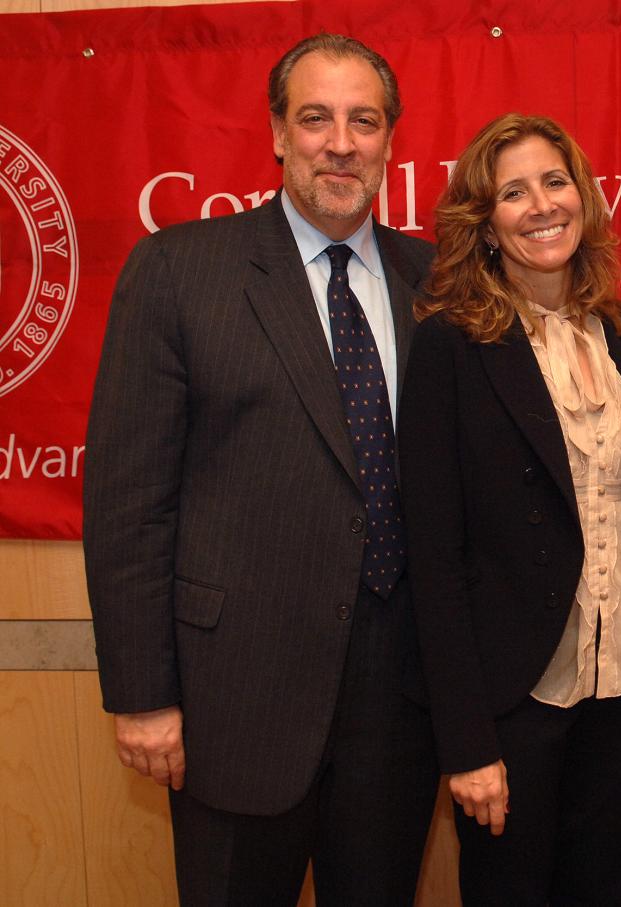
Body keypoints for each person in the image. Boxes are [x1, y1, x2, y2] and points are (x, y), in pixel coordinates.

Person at [83, 33, 438, 906]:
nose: (340, 142)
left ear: (392, 140)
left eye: (364, 120)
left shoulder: (436, 282)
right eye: (315, 118)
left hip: (400, 706)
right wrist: (141, 695)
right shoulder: (178, 270)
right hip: (232, 701)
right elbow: (129, 502)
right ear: (278, 134)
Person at [399, 113, 621, 904]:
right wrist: (465, 742)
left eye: (555, 181)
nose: (541, 205)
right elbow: (433, 558)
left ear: (584, 197)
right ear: (486, 223)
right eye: (513, 192)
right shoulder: (450, 347)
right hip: (515, 696)